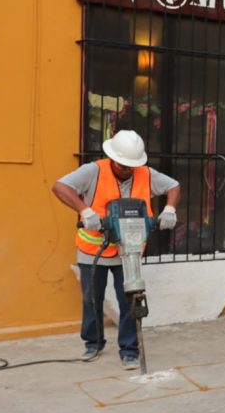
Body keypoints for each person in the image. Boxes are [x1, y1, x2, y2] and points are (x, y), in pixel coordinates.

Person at [51, 130, 180, 370]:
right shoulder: (93, 171)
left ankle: (129, 350)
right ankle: (93, 343)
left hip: (128, 250)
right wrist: (84, 211)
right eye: (123, 165)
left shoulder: (146, 173)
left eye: (131, 166)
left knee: (129, 299)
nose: (127, 170)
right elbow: (60, 187)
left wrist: (170, 209)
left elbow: (173, 186)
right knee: (92, 299)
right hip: (93, 249)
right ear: (112, 158)